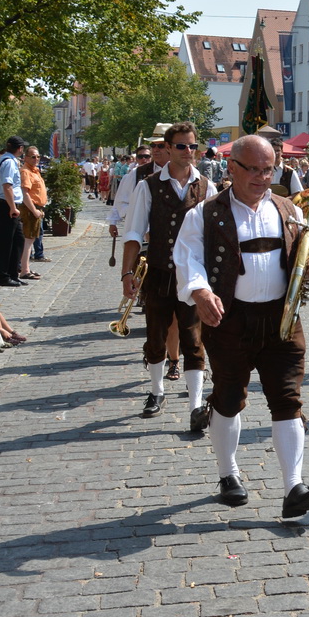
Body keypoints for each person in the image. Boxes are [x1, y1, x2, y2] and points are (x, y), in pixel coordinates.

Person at [175, 135, 309, 517]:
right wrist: (199, 291)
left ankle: (294, 486)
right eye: (255, 170)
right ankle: (228, 474)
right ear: (232, 168)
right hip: (230, 320)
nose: (263, 178)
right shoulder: (205, 214)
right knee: (228, 398)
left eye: (269, 169)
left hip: (282, 319)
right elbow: (187, 257)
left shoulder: (289, 208)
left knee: (288, 399)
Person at [124, 122, 209, 423]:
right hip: (158, 271)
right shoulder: (147, 185)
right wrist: (126, 274)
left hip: (193, 275)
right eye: (182, 146)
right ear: (169, 148)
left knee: (192, 338)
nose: (189, 152)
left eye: (193, 146)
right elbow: (133, 233)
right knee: (156, 336)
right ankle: (157, 390)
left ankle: (196, 404)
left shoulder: (206, 185)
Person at [0, 137, 27, 286]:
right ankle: (3, 276)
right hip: (6, 205)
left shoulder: (6, 160)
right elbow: (7, 185)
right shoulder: (8, 162)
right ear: (20, 148)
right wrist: (13, 207)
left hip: (7, 204)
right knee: (5, 242)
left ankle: (13, 273)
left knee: (17, 240)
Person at [18, 146, 48, 278]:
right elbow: (25, 194)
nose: (36, 159)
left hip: (36, 207)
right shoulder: (25, 172)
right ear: (26, 158)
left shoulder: (35, 171)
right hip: (30, 208)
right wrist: (34, 210)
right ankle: (24, 270)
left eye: (38, 156)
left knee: (30, 239)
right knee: (28, 240)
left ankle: (26, 268)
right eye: (33, 157)